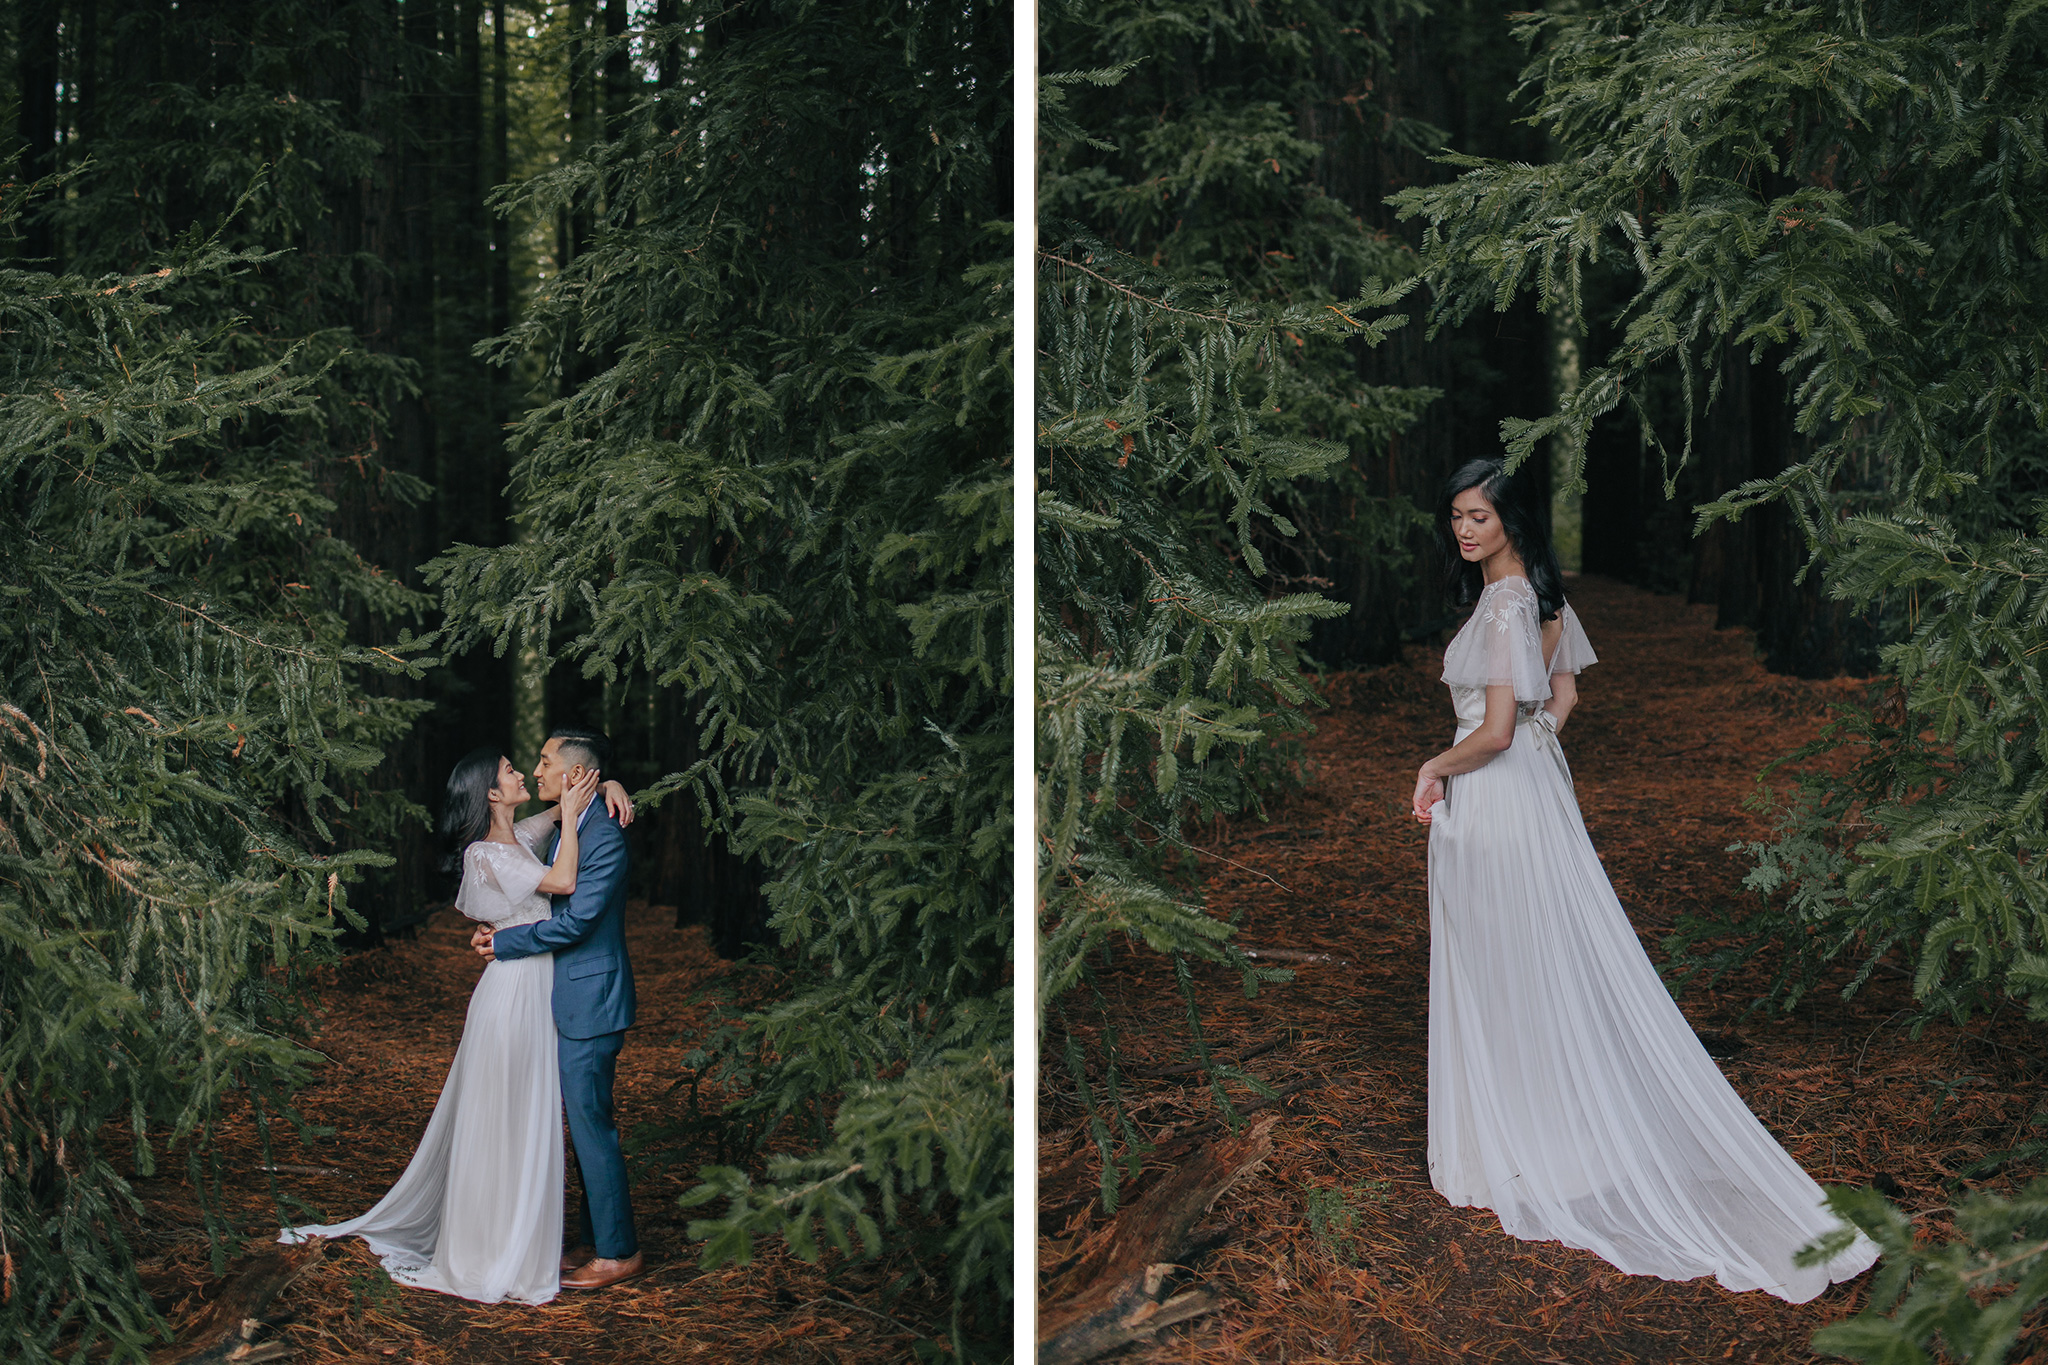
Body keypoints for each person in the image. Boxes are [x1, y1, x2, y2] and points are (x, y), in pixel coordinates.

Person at [1410, 457, 1878, 1302]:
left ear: (1510, 518)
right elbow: (1565, 702)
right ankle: (1547, 1132)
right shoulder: (1543, 597)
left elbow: (1500, 730)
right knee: (1530, 959)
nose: (1466, 529)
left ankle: (1513, 1143)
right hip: (1531, 796)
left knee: (1504, 963)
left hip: (1495, 794)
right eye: (1457, 517)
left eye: (1479, 515)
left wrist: (1435, 763)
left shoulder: (1507, 602)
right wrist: (1535, 753)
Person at [280, 746, 631, 1304]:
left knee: (525, 1116)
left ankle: (525, 1235)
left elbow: (566, 814)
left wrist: (607, 783)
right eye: (511, 771)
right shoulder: (490, 853)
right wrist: (573, 797)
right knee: (505, 1117)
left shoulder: (520, 836)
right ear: (492, 795)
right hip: (514, 994)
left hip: (537, 987)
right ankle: (493, 1245)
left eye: (528, 765)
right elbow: (564, 883)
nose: (522, 773)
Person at [472, 726, 644, 1291]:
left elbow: (576, 921)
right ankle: (597, 1239)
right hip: (566, 997)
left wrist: (505, 943)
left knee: (592, 1126)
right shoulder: (572, 823)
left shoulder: (603, 837)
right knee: (583, 1125)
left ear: (573, 775)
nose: (535, 769)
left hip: (591, 1002)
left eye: (545, 761)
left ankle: (619, 1253)